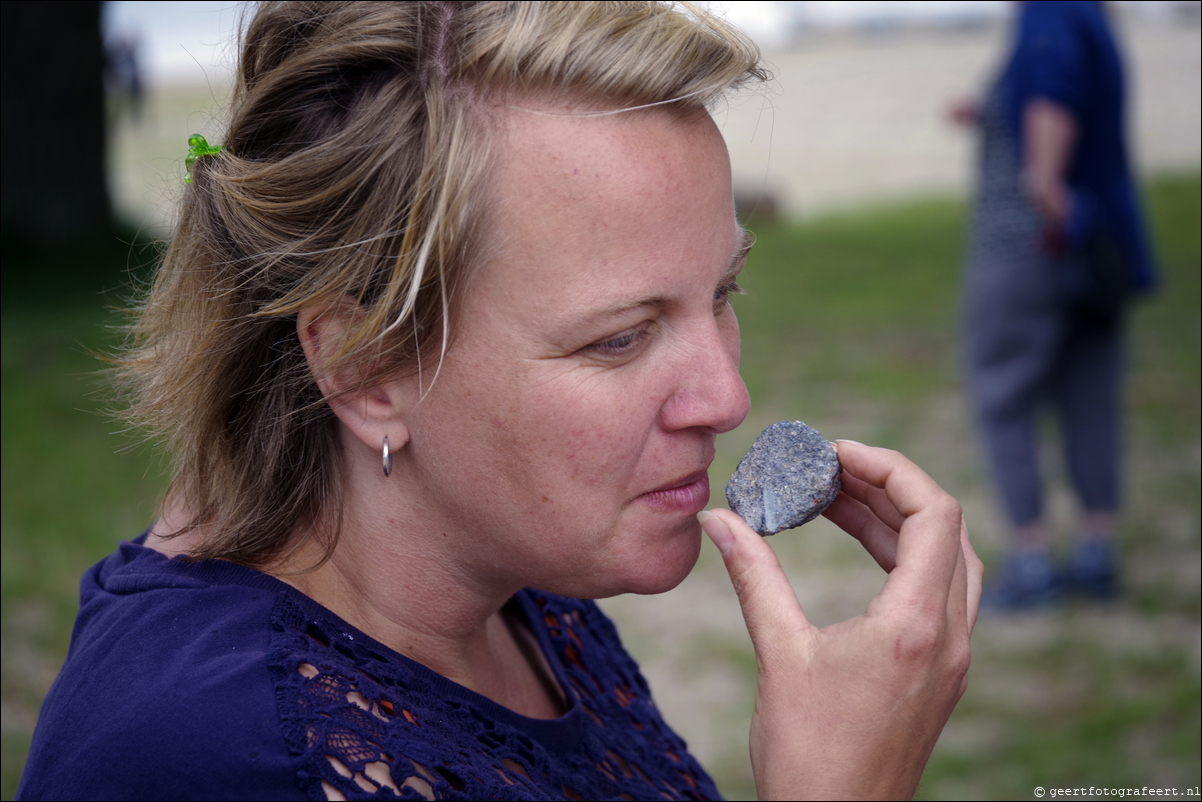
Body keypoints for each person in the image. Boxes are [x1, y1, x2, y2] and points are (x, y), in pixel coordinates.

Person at [19, 2, 982, 799]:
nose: (727, 399)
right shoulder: (213, 760)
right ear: (363, 369)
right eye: (620, 337)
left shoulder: (504, 583)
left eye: (721, 294)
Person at [959, 1, 1157, 610]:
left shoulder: (1048, 11)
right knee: (1089, 396)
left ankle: (1033, 562)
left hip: (1030, 246)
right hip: (1098, 248)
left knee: (1003, 398)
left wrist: (1045, 187)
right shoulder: (1094, 17)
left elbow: (1053, 94)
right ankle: (1098, 553)